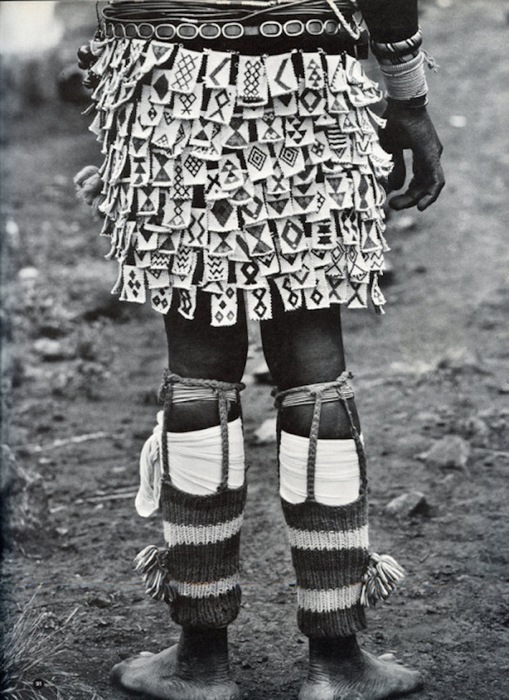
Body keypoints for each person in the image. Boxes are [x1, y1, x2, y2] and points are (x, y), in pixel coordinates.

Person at [75, 1, 444, 698]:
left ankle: (200, 661)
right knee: (310, 351)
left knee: (197, 358)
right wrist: (408, 97)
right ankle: (335, 662)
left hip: (164, 77)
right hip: (305, 72)